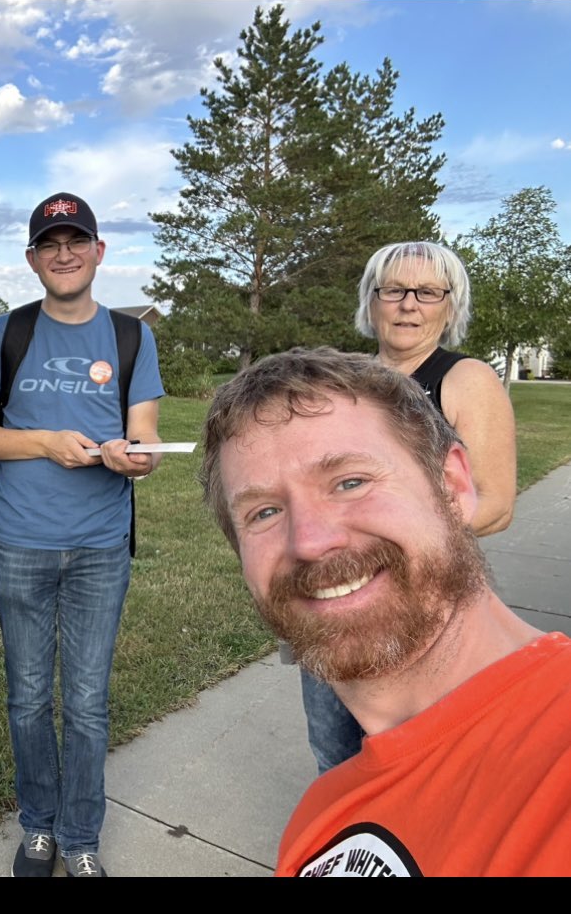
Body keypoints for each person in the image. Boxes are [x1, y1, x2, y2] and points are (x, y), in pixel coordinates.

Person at [200, 347, 571, 876]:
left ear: (453, 486)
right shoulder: (321, 818)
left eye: (350, 482)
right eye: (264, 512)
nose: (309, 541)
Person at [0, 192, 165, 878]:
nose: (64, 253)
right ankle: (38, 828)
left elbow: (145, 435)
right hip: (19, 541)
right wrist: (45, 443)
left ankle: (80, 840)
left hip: (100, 546)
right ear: (32, 258)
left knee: (84, 701)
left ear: (99, 251)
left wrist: (134, 456)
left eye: (76, 240)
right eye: (50, 243)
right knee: (28, 697)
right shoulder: (5, 333)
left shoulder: (131, 336)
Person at [298, 241, 517, 774]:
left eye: (427, 292)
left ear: (450, 304)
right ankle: (346, 853)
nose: (408, 304)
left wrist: (395, 546)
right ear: (372, 302)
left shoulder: (464, 380)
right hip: (336, 598)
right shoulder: (346, 382)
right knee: (336, 751)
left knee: (424, 761)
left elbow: (495, 503)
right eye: (393, 290)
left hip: (425, 608)